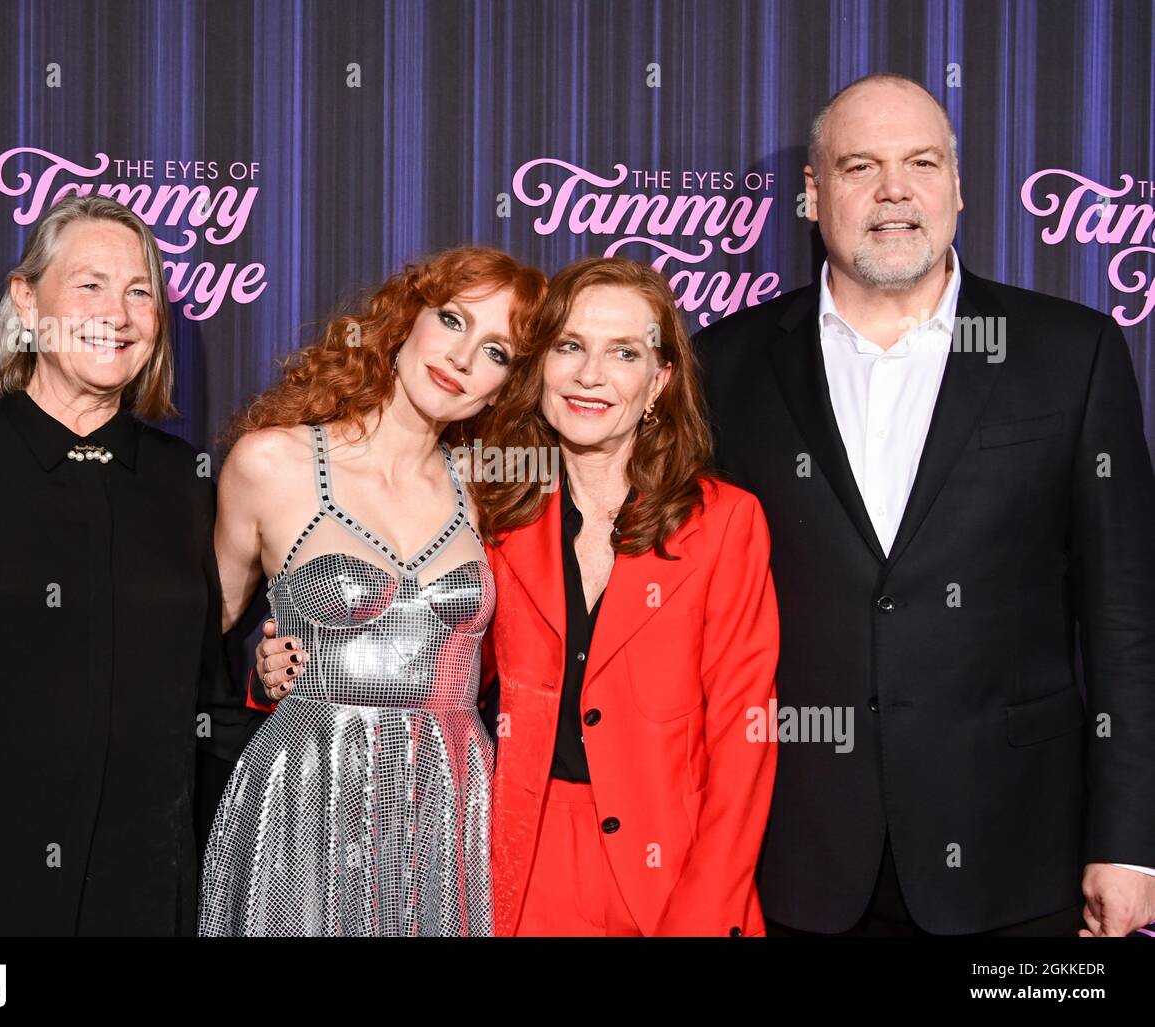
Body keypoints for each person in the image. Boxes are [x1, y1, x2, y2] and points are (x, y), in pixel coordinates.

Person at [694, 72, 1155, 936]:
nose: (895, 190)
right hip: (793, 860)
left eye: (923, 162)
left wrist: (1130, 843)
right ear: (812, 193)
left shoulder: (1071, 352)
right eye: (861, 165)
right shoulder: (724, 365)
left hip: (1018, 859)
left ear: (958, 185)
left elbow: (1127, 619)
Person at [256, 257, 780, 936]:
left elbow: (743, 739)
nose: (591, 374)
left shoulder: (724, 523)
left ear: (658, 382)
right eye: (570, 346)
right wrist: (285, 669)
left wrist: (705, 912)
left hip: (672, 870)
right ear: (540, 369)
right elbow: (426, 655)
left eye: (623, 353)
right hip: (514, 867)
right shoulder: (494, 515)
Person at [0, 196, 236, 936]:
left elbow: (205, 709)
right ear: (26, 302)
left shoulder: (181, 479)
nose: (118, 313)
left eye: (140, 291)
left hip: (147, 905)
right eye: (89, 284)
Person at [198, 247, 546, 936]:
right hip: (304, 795)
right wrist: (261, 677)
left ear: (507, 384)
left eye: (497, 350)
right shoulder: (271, 462)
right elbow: (204, 631)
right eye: (451, 319)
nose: (462, 356)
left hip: (445, 806)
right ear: (406, 318)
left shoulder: (494, 490)